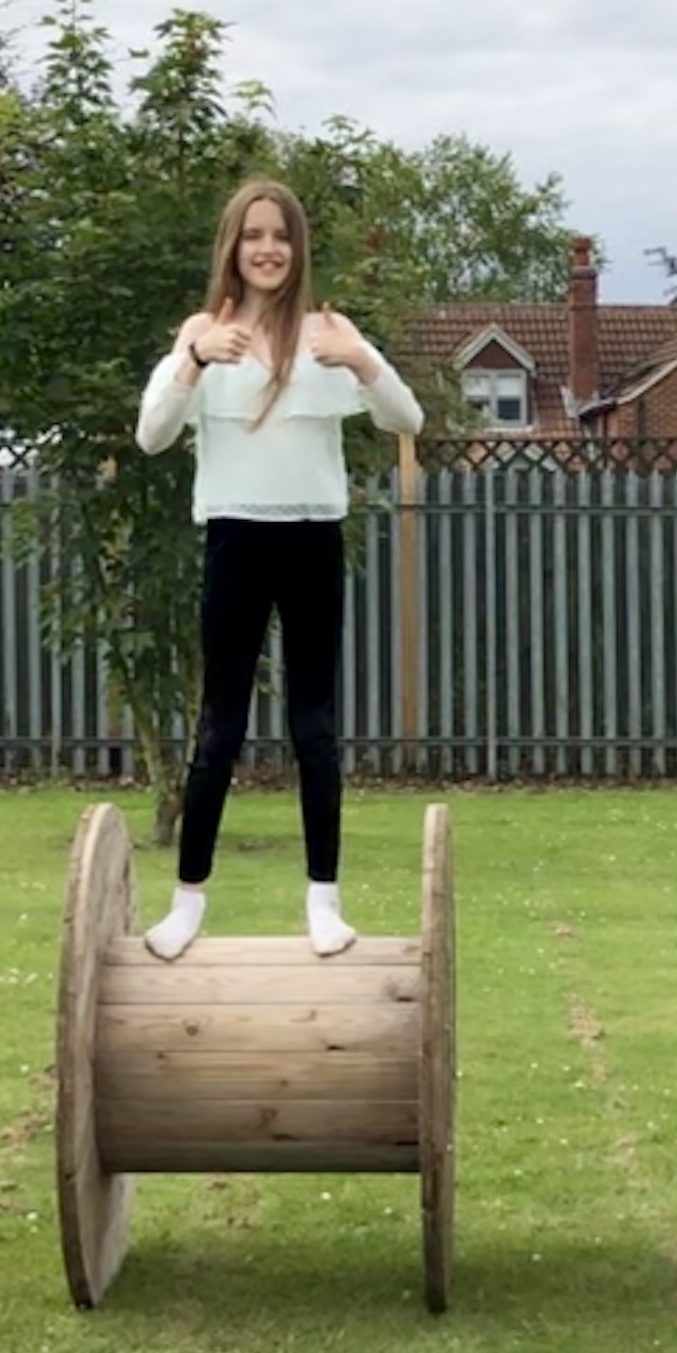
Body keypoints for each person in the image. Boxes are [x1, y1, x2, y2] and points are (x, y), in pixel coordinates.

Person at [134, 177, 425, 959]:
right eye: (254, 235)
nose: (268, 249)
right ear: (232, 247)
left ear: (298, 249)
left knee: (314, 726)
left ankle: (324, 902)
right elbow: (152, 435)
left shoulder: (330, 332)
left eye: (282, 235)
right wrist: (193, 361)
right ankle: (187, 902)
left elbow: (407, 418)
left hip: (311, 537)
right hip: (235, 536)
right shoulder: (204, 332)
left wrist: (361, 359)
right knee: (220, 726)